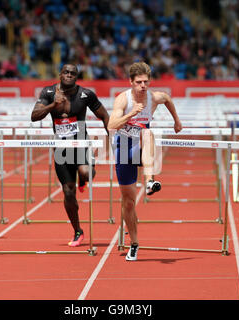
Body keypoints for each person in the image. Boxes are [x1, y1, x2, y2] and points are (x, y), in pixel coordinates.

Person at [107, 61, 182, 261]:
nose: (143, 86)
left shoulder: (153, 97)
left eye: (146, 82)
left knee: (148, 133)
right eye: (139, 82)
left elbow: (167, 99)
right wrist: (132, 113)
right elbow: (111, 124)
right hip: (124, 149)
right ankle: (134, 243)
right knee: (128, 203)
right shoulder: (122, 100)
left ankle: (149, 181)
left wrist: (177, 120)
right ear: (131, 82)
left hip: (142, 145)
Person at [31, 63, 110, 247]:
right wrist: (53, 105)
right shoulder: (48, 92)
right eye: (66, 72)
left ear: (77, 77)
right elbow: (34, 116)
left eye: (72, 73)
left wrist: (112, 138)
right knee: (68, 192)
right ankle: (77, 231)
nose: (69, 75)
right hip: (61, 149)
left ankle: (84, 179)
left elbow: (105, 115)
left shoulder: (86, 94)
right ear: (60, 74)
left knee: (84, 172)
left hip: (81, 144)